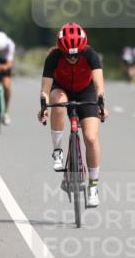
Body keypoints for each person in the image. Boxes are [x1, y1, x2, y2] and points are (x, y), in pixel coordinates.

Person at [37, 22, 108, 208]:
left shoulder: (91, 55)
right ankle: (58, 151)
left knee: (91, 138)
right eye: (68, 55)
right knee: (58, 103)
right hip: (61, 89)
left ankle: (93, 186)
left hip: (86, 92)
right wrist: (44, 106)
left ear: (82, 49)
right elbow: (45, 89)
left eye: (76, 55)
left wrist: (101, 102)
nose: (73, 59)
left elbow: (99, 85)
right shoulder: (53, 57)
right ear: (61, 50)